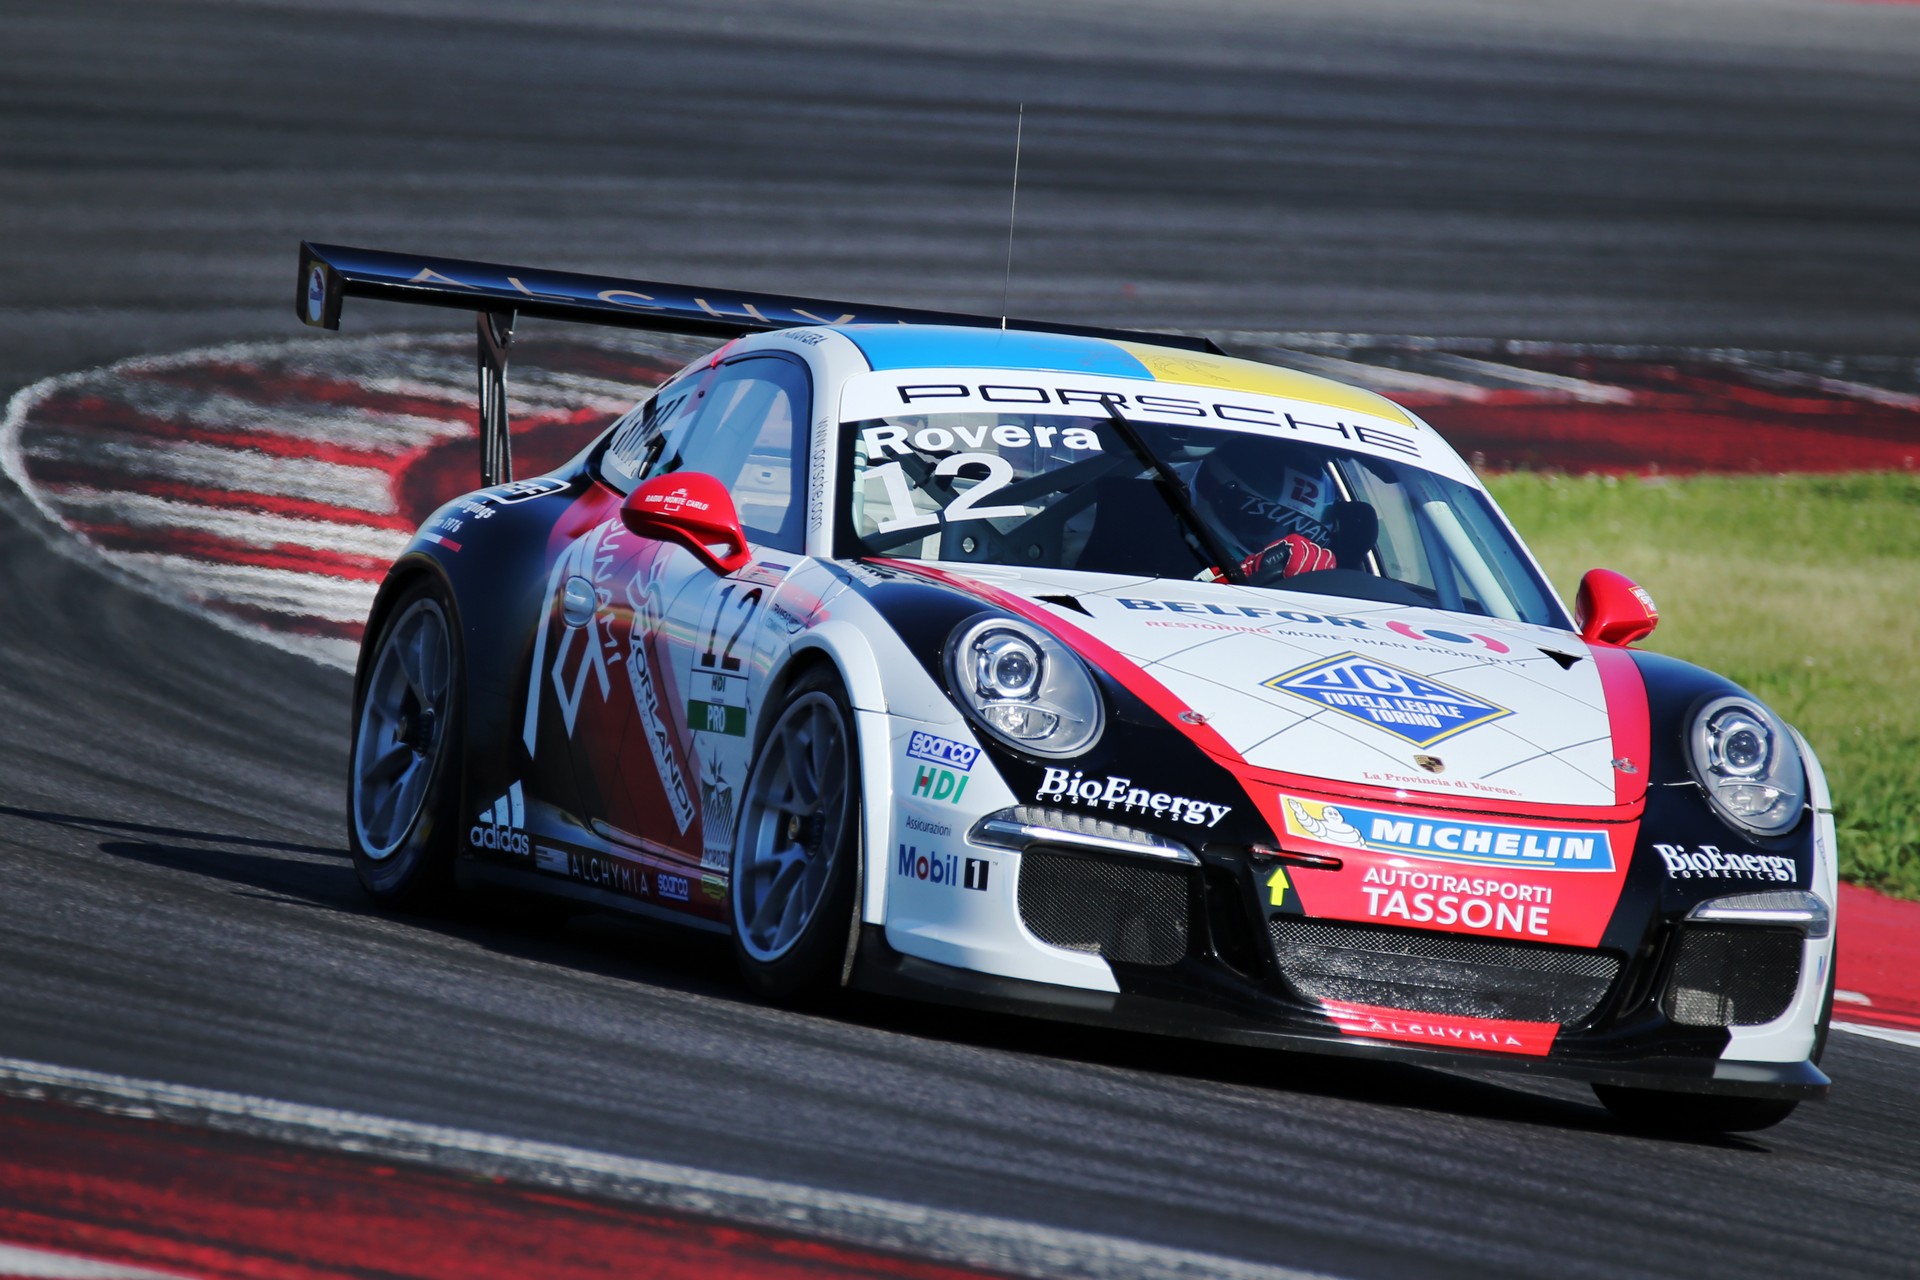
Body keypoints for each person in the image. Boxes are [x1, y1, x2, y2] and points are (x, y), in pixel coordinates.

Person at [1189, 437, 1341, 583]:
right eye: (1265, 526)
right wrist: (1241, 574)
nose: (1285, 546)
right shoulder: (1171, 544)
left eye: (1309, 534)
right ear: (1215, 493)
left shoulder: (1316, 574)